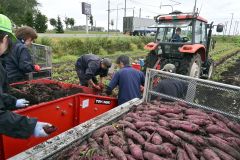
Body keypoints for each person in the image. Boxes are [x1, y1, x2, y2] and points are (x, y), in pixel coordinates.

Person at [0, 14, 52, 139]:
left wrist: (12, 101)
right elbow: (24, 66)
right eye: (31, 40)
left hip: (8, 80)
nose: (31, 43)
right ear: (5, 38)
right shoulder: (21, 48)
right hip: (17, 79)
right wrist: (30, 127)